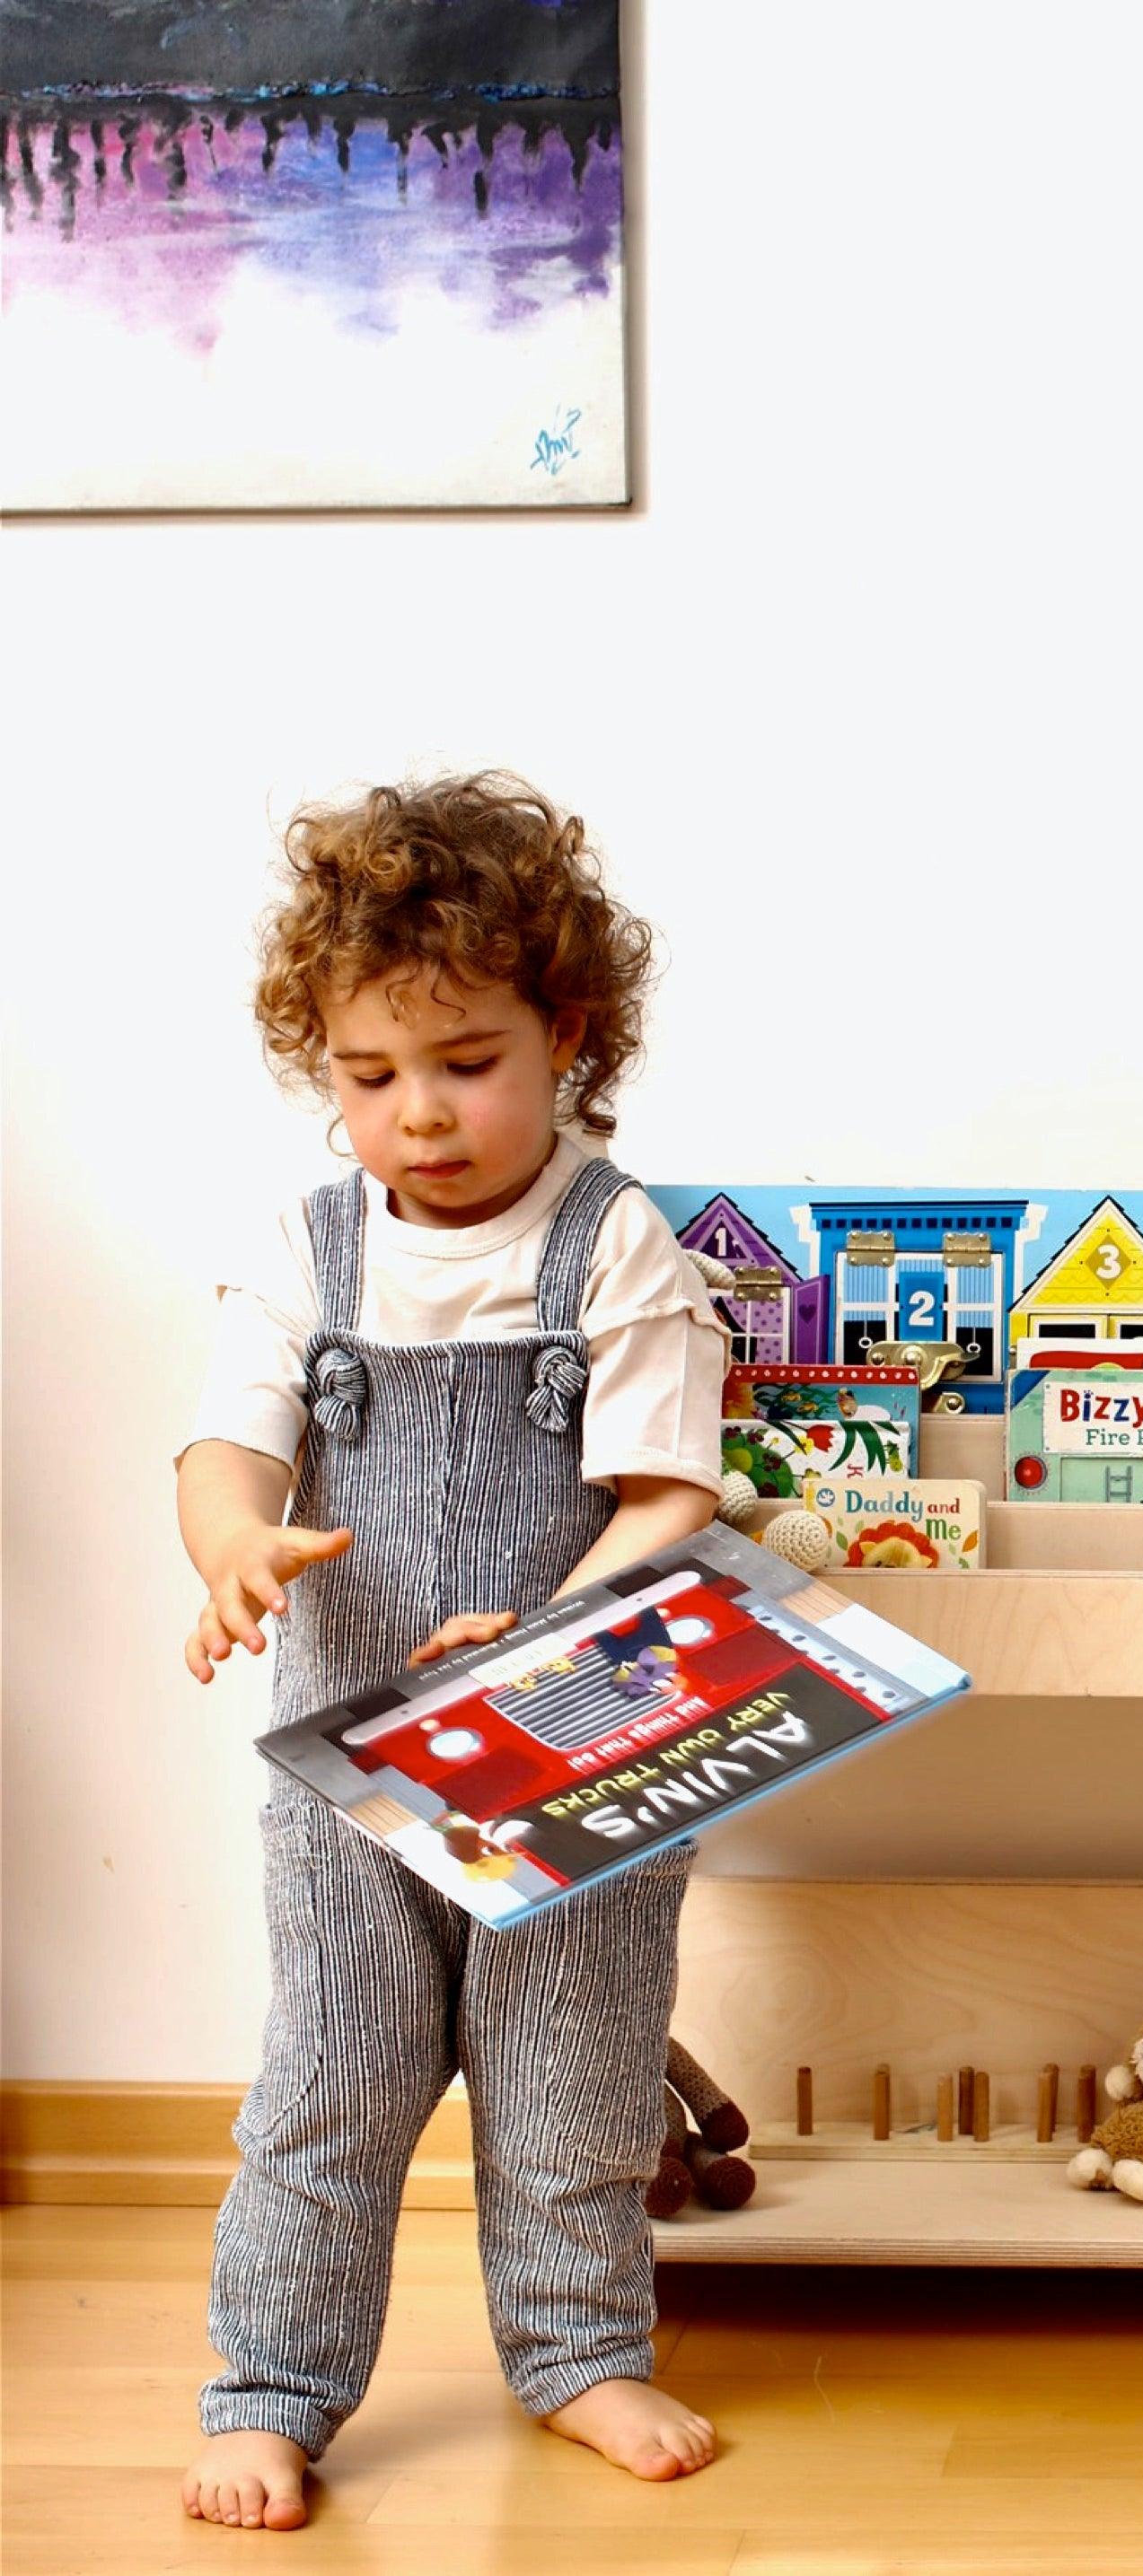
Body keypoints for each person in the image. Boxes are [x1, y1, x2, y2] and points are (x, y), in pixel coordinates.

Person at [176, 775, 728, 2531]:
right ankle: (271, 2387)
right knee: (326, 2089)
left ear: (564, 1034)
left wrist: (563, 1617)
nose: (419, 1115)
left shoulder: (614, 1244)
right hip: (351, 1773)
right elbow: (224, 1447)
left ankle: (579, 2351)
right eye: (369, 1077)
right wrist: (236, 1544)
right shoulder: (308, 1246)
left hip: (573, 1752)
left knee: (570, 2073)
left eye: (466, 1061)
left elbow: (668, 1500)